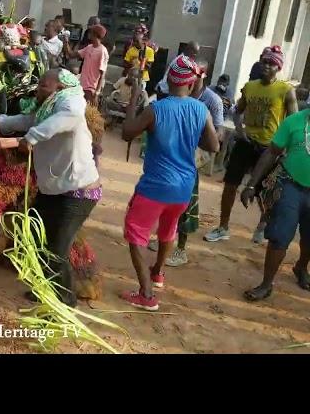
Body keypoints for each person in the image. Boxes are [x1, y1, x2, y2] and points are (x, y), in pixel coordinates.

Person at [0, 68, 101, 307]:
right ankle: (45, 289)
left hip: (78, 193)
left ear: (59, 88)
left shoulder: (72, 105)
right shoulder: (49, 107)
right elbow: (29, 120)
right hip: (53, 191)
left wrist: (24, 139)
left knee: (56, 249)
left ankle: (65, 302)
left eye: (44, 86)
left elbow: (57, 122)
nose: (38, 89)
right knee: (34, 237)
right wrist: (1, 122)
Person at [120, 55, 219, 310]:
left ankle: (147, 294)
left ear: (169, 80)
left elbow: (127, 132)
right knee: (168, 229)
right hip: (184, 187)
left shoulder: (157, 109)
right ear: (191, 83)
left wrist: (133, 98)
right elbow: (213, 145)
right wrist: (190, 133)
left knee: (135, 232)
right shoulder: (201, 109)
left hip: (156, 185)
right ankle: (158, 273)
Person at [204, 46, 298, 244]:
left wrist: (286, 149)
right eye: (264, 61)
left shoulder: (286, 91)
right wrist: (240, 130)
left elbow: (294, 123)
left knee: (267, 192)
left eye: (271, 63)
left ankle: (261, 228)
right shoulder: (250, 87)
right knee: (230, 184)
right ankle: (223, 227)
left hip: (270, 149)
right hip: (247, 143)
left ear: (278, 67)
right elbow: (237, 111)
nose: (266, 66)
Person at [240, 109, 310, 301]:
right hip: (290, 186)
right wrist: (251, 185)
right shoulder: (294, 122)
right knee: (280, 236)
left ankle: (301, 267)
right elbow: (272, 152)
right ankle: (266, 284)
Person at [165, 60, 224, 267]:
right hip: (172, 156)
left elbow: (219, 132)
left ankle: (181, 249)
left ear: (201, 77)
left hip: (192, 159)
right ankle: (165, 239)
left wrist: (198, 141)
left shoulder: (212, 101)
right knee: (167, 203)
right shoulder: (180, 92)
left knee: (186, 206)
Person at [62, 24, 109, 106]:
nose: (88, 34)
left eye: (90, 32)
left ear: (95, 34)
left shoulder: (102, 51)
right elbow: (71, 54)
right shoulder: (89, 47)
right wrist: (65, 42)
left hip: (91, 89)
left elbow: (102, 75)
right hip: (81, 86)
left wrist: (97, 93)